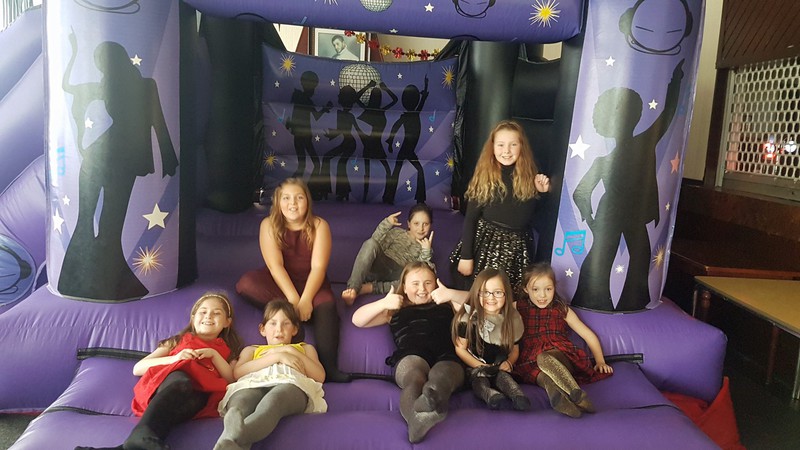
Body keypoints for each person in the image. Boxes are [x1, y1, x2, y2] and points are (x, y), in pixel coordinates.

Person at [75, 292, 242, 450]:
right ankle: (141, 438)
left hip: (196, 398)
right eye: (203, 312)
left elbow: (231, 380)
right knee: (182, 381)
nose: (208, 316)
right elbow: (138, 368)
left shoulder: (229, 351)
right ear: (193, 318)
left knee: (192, 399)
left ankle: (137, 441)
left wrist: (214, 355)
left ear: (227, 322)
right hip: (169, 388)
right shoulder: (177, 341)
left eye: (216, 313)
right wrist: (176, 359)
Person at [236, 178, 350, 382]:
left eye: (299, 198)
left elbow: (318, 267)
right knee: (247, 283)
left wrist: (305, 299)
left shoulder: (319, 225)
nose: (293, 204)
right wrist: (293, 301)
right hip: (280, 283)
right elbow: (275, 266)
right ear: (278, 202)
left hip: (311, 283)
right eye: (286, 198)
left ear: (307, 201)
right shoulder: (268, 224)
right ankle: (296, 317)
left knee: (326, 303)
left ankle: (329, 367)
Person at [352, 262, 464, 443]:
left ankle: (425, 407)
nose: (422, 289)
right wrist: (383, 303)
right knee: (414, 377)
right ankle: (419, 418)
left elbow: (477, 304)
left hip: (446, 356)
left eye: (428, 283)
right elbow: (357, 320)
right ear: (404, 287)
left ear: (436, 284)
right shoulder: (394, 309)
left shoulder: (448, 303)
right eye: (415, 284)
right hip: (411, 356)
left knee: (442, 375)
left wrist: (451, 294)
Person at [449, 120, 550, 291]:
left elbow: (536, 216)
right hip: (487, 244)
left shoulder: (531, 176)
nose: (506, 151)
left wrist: (542, 193)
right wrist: (466, 256)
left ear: (521, 147)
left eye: (513, 145)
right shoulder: (485, 177)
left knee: (508, 292)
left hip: (518, 247)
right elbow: (470, 219)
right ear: (493, 147)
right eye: (501, 145)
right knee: (480, 289)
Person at [214, 299, 326, 450]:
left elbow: (320, 376)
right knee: (241, 403)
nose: (279, 329)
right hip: (251, 384)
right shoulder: (252, 350)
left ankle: (239, 435)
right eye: (273, 323)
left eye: (286, 324)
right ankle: (234, 437)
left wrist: (289, 350)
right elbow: (238, 372)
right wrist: (277, 356)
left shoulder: (304, 349)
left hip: (291, 385)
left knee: (273, 400)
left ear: (295, 329)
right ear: (262, 329)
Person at [513, 263, 614, 418]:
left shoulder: (562, 309)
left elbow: (588, 335)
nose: (542, 295)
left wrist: (600, 361)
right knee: (545, 378)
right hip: (530, 362)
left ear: (554, 287)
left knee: (544, 358)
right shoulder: (517, 307)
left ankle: (576, 392)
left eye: (548, 289)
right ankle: (560, 400)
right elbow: (494, 313)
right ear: (526, 289)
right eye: (535, 289)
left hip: (561, 356)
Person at [450, 268, 529, 411]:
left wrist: (509, 362)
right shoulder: (468, 319)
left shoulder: (513, 318)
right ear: (477, 293)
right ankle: (491, 396)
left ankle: (518, 396)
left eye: (497, 292)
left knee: (504, 378)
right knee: (480, 381)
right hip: (476, 367)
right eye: (485, 292)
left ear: (506, 294)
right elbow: (460, 349)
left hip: (499, 366)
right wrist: (481, 366)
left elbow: (515, 349)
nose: (491, 298)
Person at [342, 204, 434, 304]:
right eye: (416, 223)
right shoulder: (397, 232)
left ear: (430, 225)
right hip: (382, 265)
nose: (421, 228)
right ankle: (353, 289)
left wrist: (426, 251)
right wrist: (386, 224)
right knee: (370, 243)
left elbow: (419, 273)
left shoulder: (426, 247)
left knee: (409, 281)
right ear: (409, 224)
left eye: (425, 224)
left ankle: (369, 288)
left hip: (398, 275)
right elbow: (374, 245)